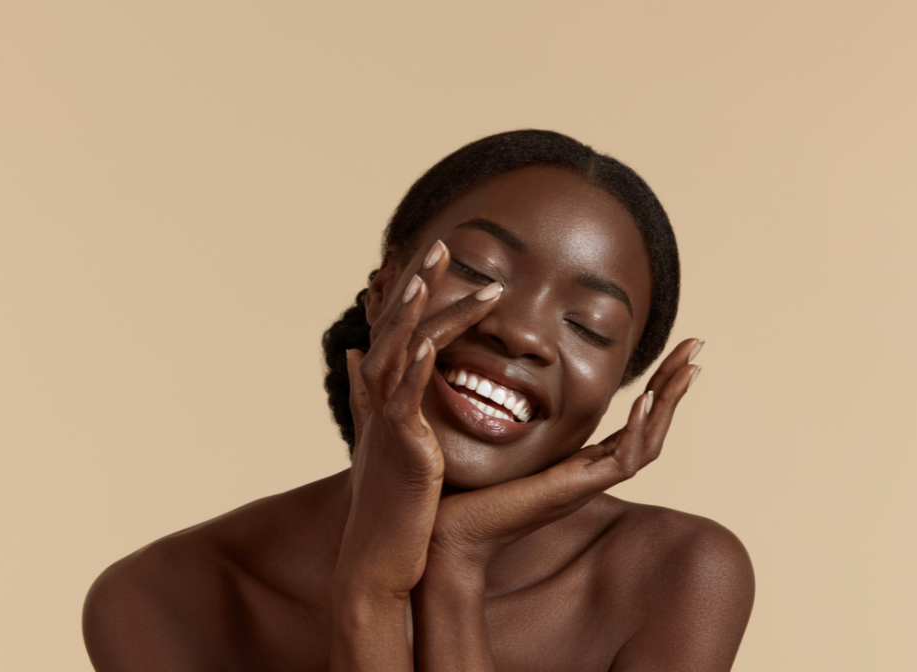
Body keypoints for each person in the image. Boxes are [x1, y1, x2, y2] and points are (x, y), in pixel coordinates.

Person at [82, 130, 754, 671]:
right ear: (382, 290)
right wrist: (372, 587)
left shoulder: (677, 575)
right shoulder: (166, 597)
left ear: (619, 386)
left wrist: (453, 560)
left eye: (588, 327)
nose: (519, 332)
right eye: (478, 273)